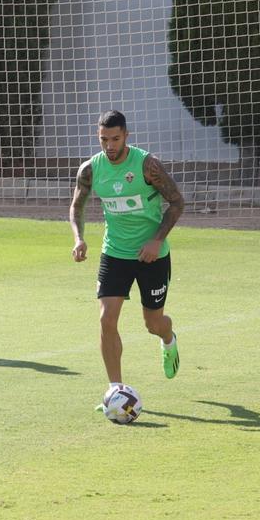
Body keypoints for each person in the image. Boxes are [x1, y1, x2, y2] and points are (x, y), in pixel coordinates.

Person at [69, 110, 185, 402]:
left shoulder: (148, 166)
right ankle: (115, 390)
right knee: (107, 319)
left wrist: (156, 240)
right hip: (115, 252)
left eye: (115, 138)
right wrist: (79, 238)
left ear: (126, 137)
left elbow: (177, 203)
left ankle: (169, 340)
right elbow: (76, 207)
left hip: (151, 256)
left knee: (153, 324)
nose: (109, 145)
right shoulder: (90, 170)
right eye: (103, 139)